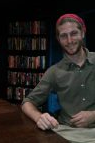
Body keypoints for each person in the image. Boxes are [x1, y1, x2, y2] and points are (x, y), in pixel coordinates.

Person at [21, 13, 95, 142]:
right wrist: (39, 117)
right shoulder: (54, 71)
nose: (69, 41)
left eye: (74, 33)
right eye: (63, 36)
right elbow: (27, 103)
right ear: (58, 39)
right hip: (68, 134)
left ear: (83, 33)